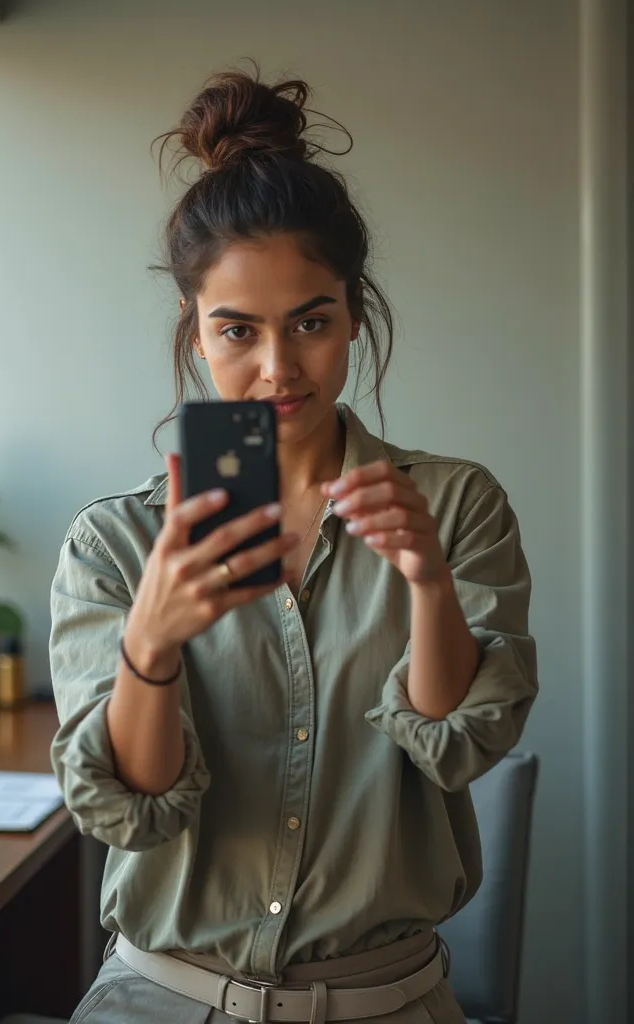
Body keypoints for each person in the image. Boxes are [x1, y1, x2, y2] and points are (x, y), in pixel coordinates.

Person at [50, 68, 538, 1024]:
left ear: (354, 314)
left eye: (311, 322)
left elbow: (457, 749)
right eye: (238, 330)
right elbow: (132, 809)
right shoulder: (115, 541)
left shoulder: (453, 502)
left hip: (387, 1003)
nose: (278, 368)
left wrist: (429, 585)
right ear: (196, 333)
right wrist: (148, 649)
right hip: (158, 997)